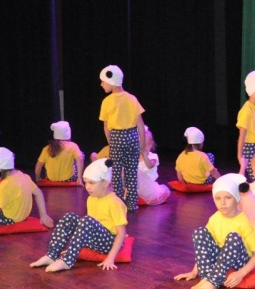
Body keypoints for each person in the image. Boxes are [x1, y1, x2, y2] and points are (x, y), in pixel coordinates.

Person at [30, 159, 127, 272]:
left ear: (105, 183)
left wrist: (110, 258)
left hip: (109, 243)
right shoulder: (91, 199)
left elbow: (121, 233)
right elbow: (88, 229)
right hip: (96, 241)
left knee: (86, 221)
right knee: (69, 217)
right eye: (86, 182)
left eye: (91, 183)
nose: (87, 187)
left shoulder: (114, 203)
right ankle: (51, 255)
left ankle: (67, 261)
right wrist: (74, 248)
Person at [174, 174, 255, 289]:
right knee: (200, 232)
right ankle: (207, 276)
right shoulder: (215, 218)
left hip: (239, 261)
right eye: (218, 198)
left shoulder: (246, 222)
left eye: (228, 197)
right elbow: (205, 247)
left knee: (233, 237)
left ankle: (213, 281)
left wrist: (241, 273)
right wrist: (194, 272)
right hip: (221, 258)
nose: (223, 203)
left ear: (236, 198)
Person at [98, 64, 151, 211]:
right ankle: (132, 204)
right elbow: (140, 124)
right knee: (131, 172)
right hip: (132, 136)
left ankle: (118, 205)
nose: (101, 84)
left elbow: (106, 126)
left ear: (111, 81)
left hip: (116, 137)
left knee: (116, 173)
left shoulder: (107, 101)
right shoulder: (131, 98)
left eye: (103, 81)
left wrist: (111, 143)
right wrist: (142, 143)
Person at [34, 121, 85, 186]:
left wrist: (37, 178)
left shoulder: (47, 148)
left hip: (51, 179)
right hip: (69, 179)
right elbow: (80, 159)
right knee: (81, 155)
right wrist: (79, 178)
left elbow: (38, 165)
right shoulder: (73, 146)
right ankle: (79, 178)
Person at [137, 127, 170, 205]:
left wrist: (144, 155)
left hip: (149, 187)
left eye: (148, 144)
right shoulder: (134, 158)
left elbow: (150, 165)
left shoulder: (153, 157)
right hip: (136, 186)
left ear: (151, 144)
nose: (145, 147)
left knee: (137, 173)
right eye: (143, 144)